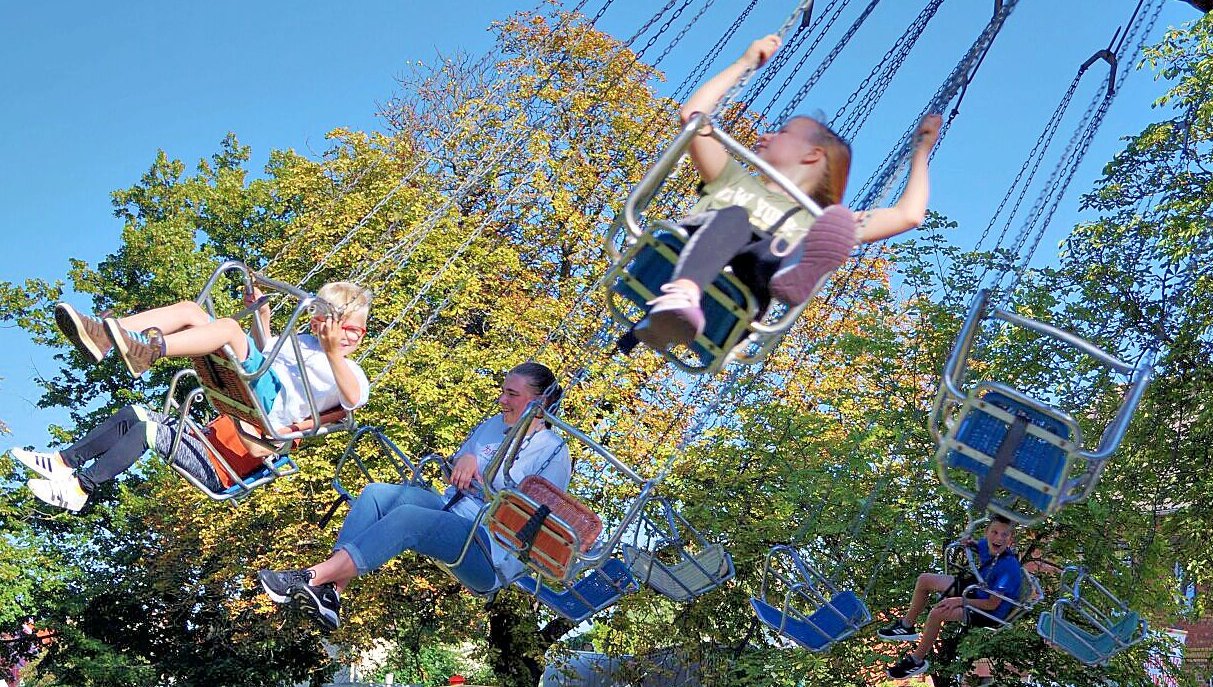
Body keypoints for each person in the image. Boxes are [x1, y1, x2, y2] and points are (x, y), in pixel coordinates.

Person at [626, 34, 939, 354]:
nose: (766, 135)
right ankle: (683, 294)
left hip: (736, 305)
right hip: (670, 266)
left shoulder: (821, 226)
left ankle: (793, 273)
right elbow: (694, 118)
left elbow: (908, 215)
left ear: (813, 156)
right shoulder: (732, 178)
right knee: (736, 219)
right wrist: (745, 63)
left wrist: (922, 151)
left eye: (784, 132)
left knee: (789, 245)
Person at [257, 362, 571, 628]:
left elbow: (533, 522)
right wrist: (465, 460)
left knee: (409, 519)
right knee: (377, 495)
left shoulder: (553, 452)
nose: (502, 400)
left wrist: (488, 485)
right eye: (502, 391)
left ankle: (308, 578)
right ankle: (332, 592)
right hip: (451, 509)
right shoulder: (493, 426)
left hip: (488, 548)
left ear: (540, 402)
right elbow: (457, 470)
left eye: (512, 394)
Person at [15, 285, 372, 513]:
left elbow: (353, 400)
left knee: (149, 430)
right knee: (188, 314)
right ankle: (105, 340)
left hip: (244, 438)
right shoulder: (303, 343)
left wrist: (333, 353)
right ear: (318, 324)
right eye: (340, 328)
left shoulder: (351, 372)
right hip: (247, 396)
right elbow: (263, 350)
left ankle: (80, 487)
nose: (350, 337)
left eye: (357, 330)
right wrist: (261, 314)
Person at [879, 517, 1023, 679]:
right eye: (994, 532)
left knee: (938, 612)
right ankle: (906, 626)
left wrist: (958, 601)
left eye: (1004, 535)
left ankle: (916, 661)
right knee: (925, 580)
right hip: (978, 588)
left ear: (1011, 539)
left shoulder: (1009, 568)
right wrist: (969, 543)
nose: (998, 538)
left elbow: (991, 604)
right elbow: (978, 545)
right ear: (986, 533)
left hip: (989, 611)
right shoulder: (987, 545)